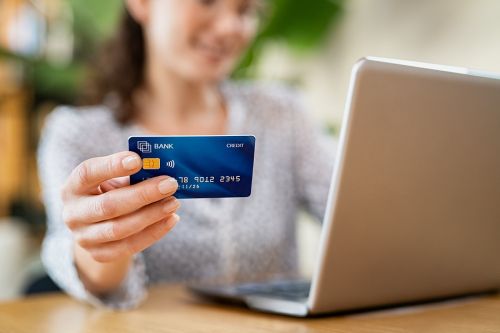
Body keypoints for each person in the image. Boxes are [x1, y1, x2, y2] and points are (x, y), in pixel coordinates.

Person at [38, 0, 335, 309]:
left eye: (245, 10)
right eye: (207, 1)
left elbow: (349, 207)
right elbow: (84, 268)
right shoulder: (79, 134)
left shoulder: (282, 115)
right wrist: (102, 241)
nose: (231, 27)